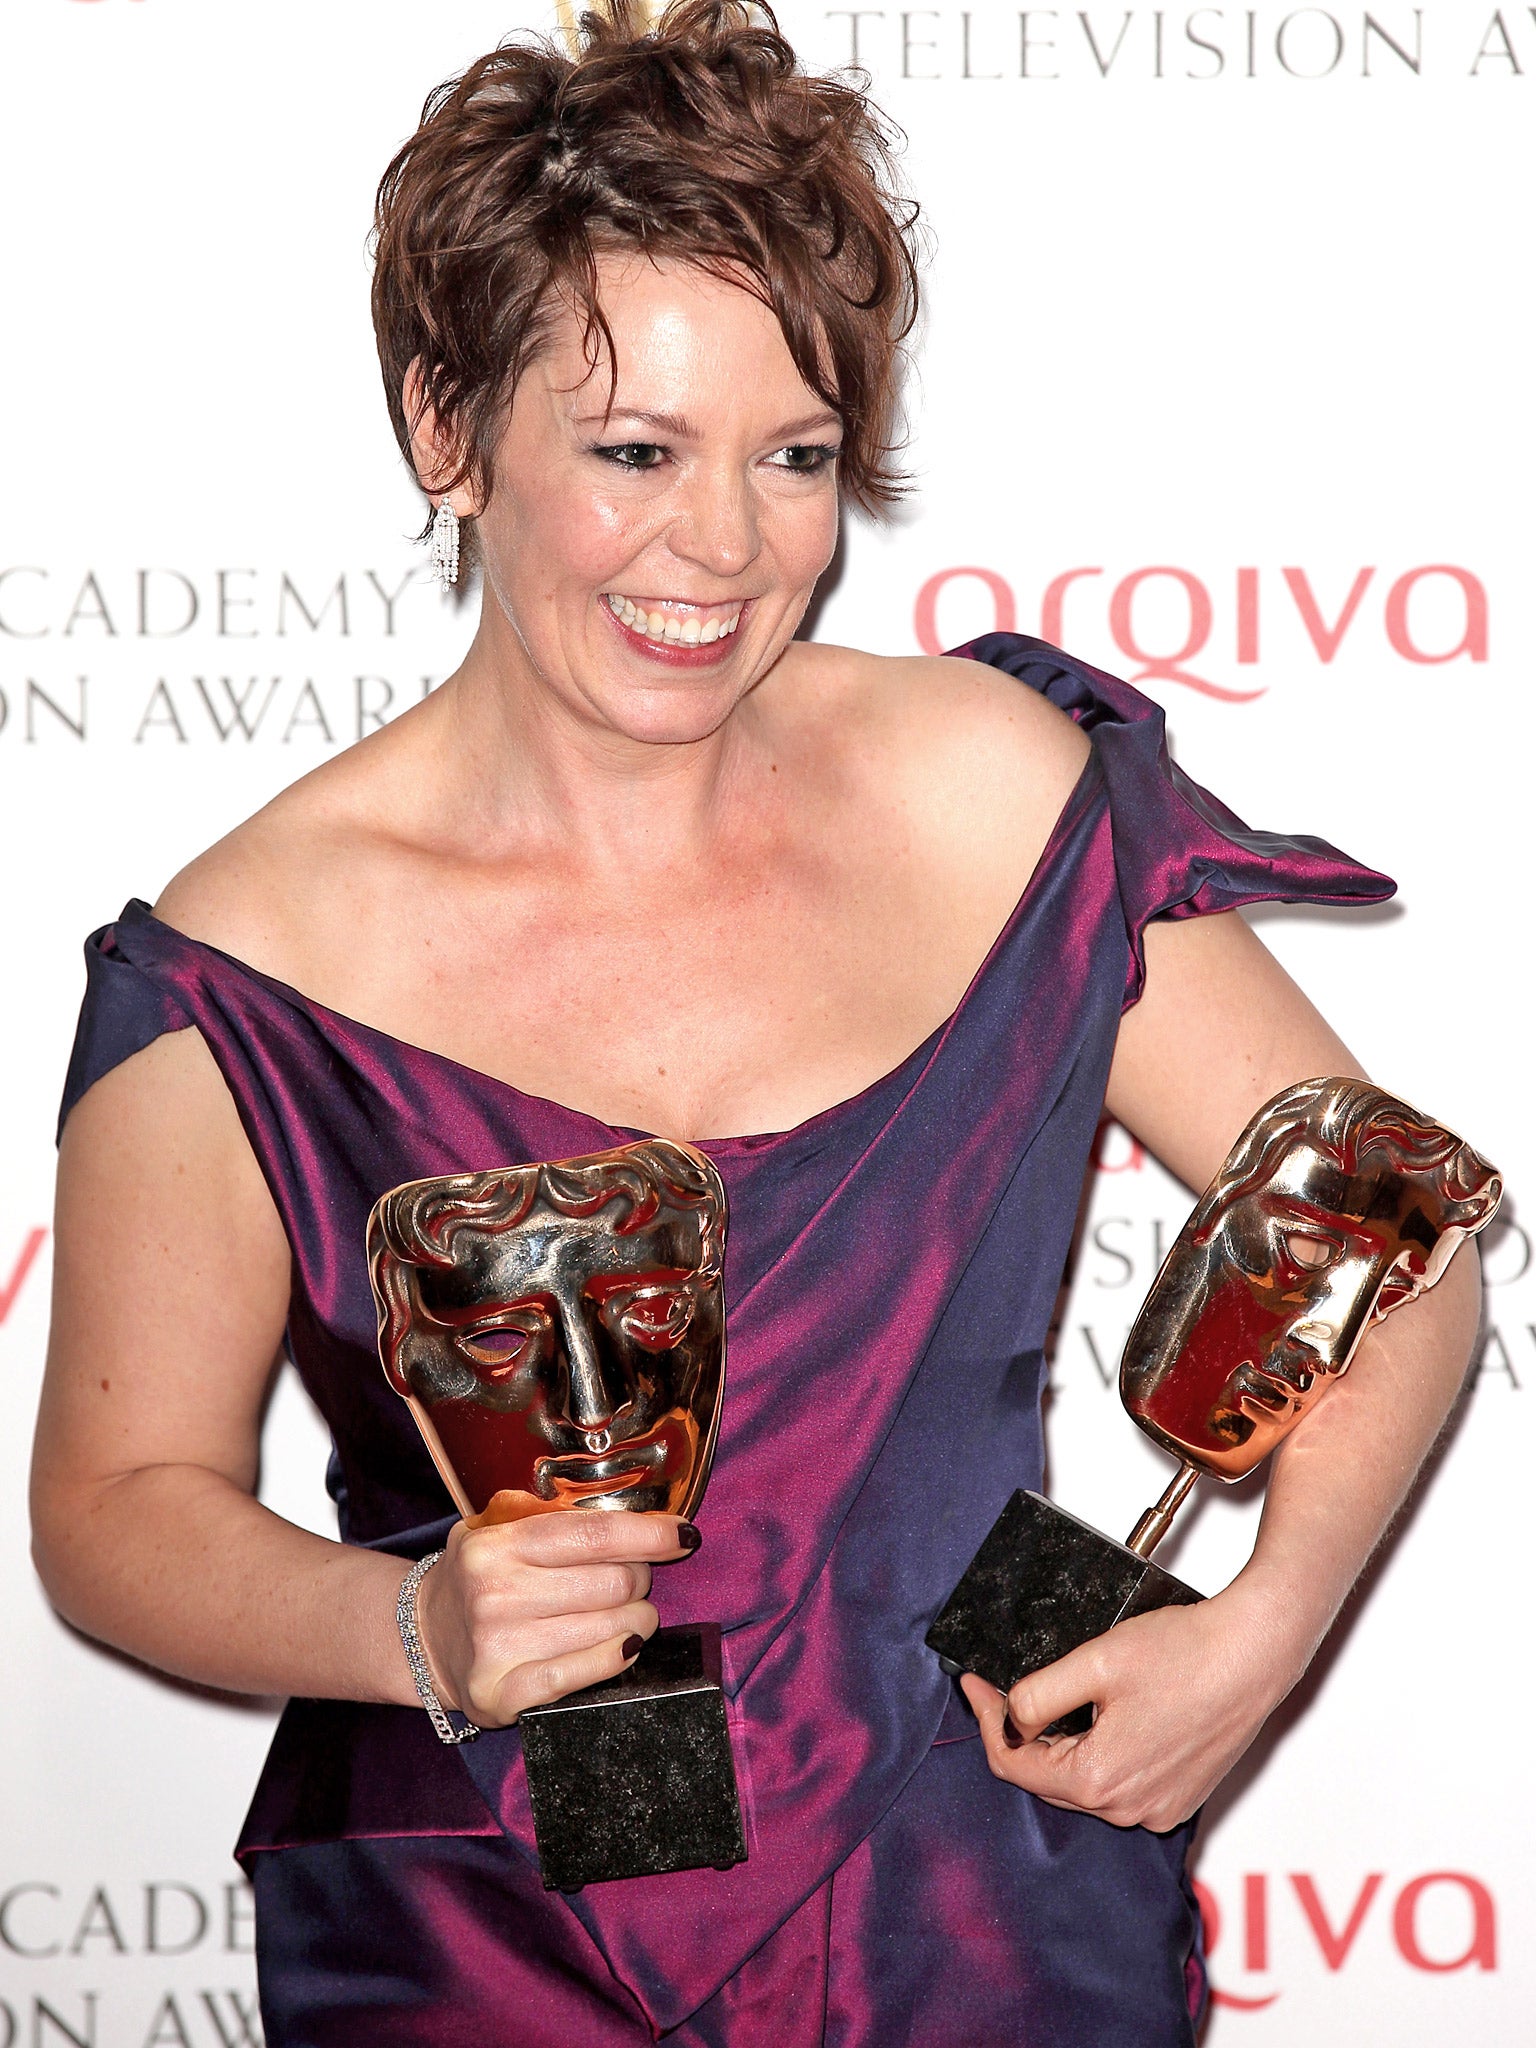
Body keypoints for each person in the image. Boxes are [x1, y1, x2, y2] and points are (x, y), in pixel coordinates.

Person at [30, 5, 1482, 2044]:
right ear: (447, 428)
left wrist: (1266, 1628)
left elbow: (1382, 1228)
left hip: (983, 1901)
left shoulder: (996, 792)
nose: (722, 547)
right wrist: (413, 1620)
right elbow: (114, 1508)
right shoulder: (247, 969)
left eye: (791, 456)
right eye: (636, 451)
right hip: (492, 1941)